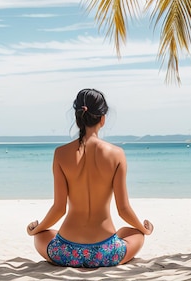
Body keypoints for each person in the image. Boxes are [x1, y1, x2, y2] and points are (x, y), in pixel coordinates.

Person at [26, 88, 153, 267]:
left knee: (42, 235)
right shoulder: (117, 154)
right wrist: (144, 229)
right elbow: (123, 209)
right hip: (106, 252)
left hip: (65, 252)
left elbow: (59, 208)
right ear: (103, 119)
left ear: (78, 118)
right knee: (133, 233)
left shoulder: (60, 154)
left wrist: (35, 230)